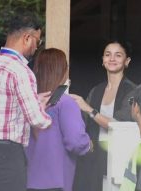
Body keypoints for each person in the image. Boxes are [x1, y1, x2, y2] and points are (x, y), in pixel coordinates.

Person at [0, 11, 52, 191]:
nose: (36, 47)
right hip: (6, 155)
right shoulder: (21, 71)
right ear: (27, 38)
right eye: (37, 41)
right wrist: (43, 111)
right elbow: (37, 119)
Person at [71, 39, 137, 191]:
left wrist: (89, 109)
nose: (112, 59)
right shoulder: (96, 90)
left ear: (127, 61)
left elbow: (118, 125)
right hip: (94, 157)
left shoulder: (132, 91)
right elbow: (83, 123)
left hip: (118, 157)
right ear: (102, 60)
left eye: (118, 55)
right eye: (108, 54)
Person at [25, 48, 92, 191]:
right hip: (55, 183)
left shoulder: (29, 101)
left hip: (27, 180)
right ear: (64, 71)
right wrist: (89, 145)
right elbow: (75, 141)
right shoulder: (65, 102)